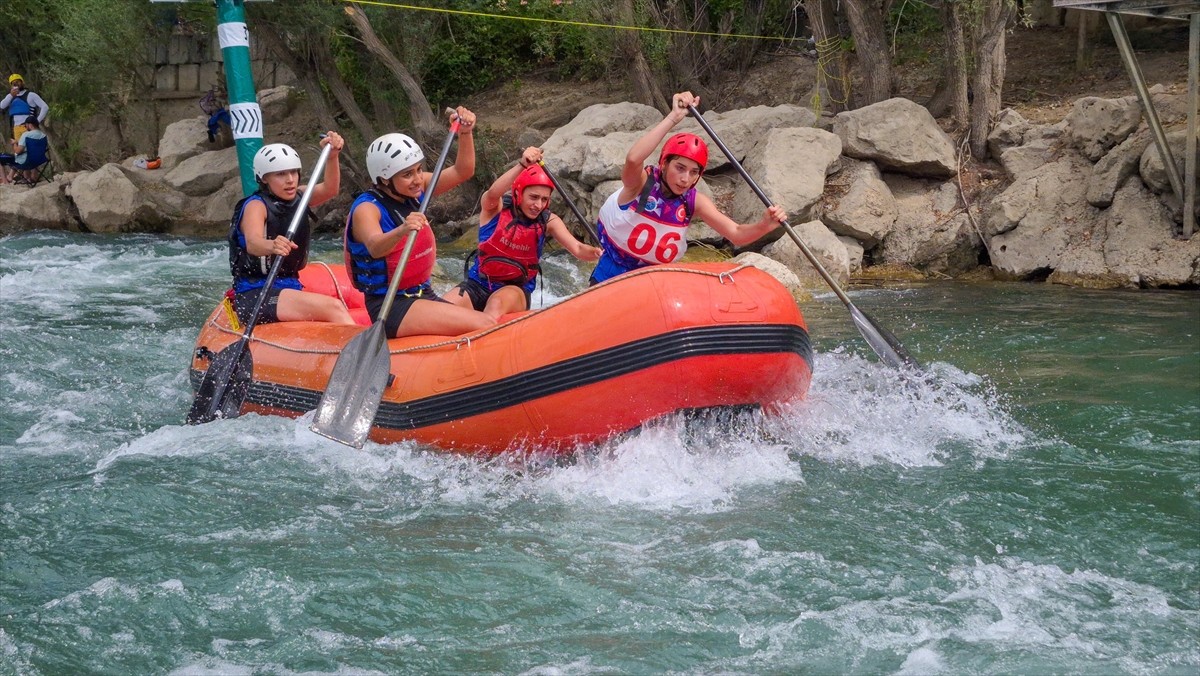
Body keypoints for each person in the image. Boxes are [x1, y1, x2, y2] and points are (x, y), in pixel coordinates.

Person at [589, 91, 787, 285]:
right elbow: (633, 159)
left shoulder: (695, 202)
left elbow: (735, 233)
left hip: (655, 283)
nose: (685, 179)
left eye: (694, 173)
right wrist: (673, 118)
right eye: (680, 168)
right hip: (611, 273)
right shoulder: (641, 184)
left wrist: (764, 225)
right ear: (664, 164)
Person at [344, 107, 495, 338]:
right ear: (384, 179)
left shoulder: (413, 189)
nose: (417, 180)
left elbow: (463, 171)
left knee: (480, 322)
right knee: (483, 323)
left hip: (421, 294)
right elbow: (375, 247)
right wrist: (402, 229)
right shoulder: (367, 208)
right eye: (407, 174)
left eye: (418, 170)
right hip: (390, 305)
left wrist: (465, 134)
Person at [447, 146, 602, 319]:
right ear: (518, 194)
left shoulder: (548, 221)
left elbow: (578, 249)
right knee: (443, 308)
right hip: (478, 283)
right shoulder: (495, 210)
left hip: (516, 290)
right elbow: (492, 193)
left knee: (496, 305)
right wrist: (522, 164)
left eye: (544, 199)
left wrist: (595, 252)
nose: (539, 205)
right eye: (533, 197)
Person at [228, 133, 356, 327]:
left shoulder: (300, 196)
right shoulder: (256, 205)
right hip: (256, 293)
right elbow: (253, 243)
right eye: (280, 174)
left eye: (293, 172)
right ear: (264, 179)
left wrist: (332, 156)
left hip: (289, 287)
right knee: (334, 307)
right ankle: (363, 356)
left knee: (327, 313)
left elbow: (330, 189)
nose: (290, 180)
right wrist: (272, 245)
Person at [0, 74, 49, 142]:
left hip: (28, 127)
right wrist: (11, 95)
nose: (15, 84)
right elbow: (2, 106)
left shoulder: (31, 95)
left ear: (22, 82)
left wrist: (36, 121)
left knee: (30, 148)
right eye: (13, 83)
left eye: (17, 81)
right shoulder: (10, 97)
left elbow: (45, 107)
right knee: (19, 150)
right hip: (16, 128)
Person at [0, 117, 47, 184]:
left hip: (25, 161)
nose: (25, 127)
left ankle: (5, 182)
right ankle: (15, 177)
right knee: (19, 157)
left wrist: (15, 143)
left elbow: (17, 151)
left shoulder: (26, 135)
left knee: (4, 157)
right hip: (39, 160)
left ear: (30, 125)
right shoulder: (43, 136)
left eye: (25, 125)